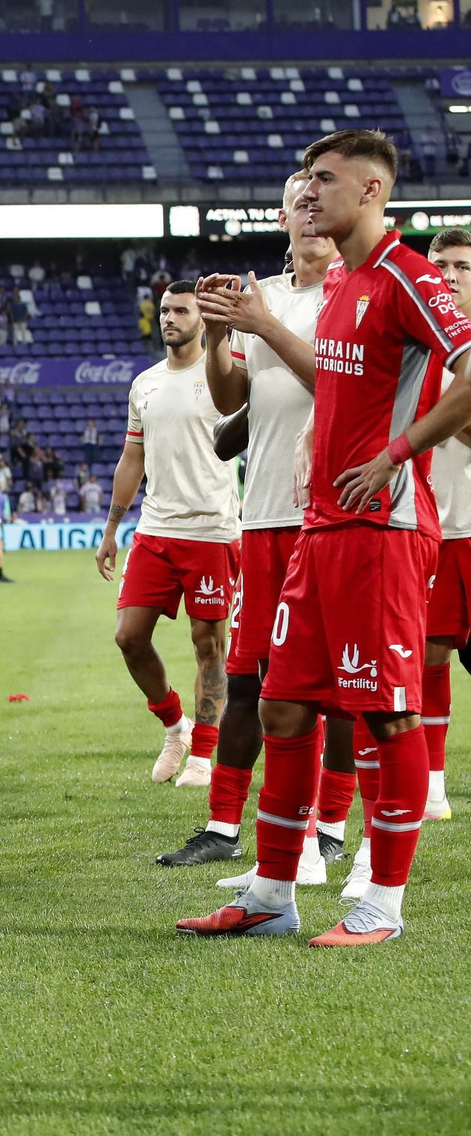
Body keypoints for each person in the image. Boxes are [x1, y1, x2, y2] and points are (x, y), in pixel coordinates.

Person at [180, 129, 471, 946]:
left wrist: (395, 452)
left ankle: (381, 904)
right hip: (319, 528)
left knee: (386, 716)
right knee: (281, 704)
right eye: (304, 182)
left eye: (325, 180)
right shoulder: (342, 284)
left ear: (373, 191)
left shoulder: (409, 278)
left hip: (382, 530)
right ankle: (274, 892)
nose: (308, 193)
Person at [160, 173, 352, 880]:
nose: (308, 211)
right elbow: (231, 398)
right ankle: (220, 823)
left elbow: (342, 383)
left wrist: (261, 324)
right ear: (280, 214)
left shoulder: (355, 293)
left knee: (329, 689)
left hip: (330, 516)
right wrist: (217, 334)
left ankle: (329, 826)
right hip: (265, 513)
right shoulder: (266, 294)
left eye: (317, 199)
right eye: (296, 201)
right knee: (247, 680)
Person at [95, 282, 238, 787]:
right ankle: (175, 725)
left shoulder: (225, 377)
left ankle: (203, 752)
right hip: (154, 529)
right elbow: (131, 458)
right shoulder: (145, 384)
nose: (170, 318)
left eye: (181, 310)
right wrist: (112, 527)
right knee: (129, 636)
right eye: (164, 310)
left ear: (202, 318)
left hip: (213, 529)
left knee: (209, 646)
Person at [421, 226, 471, 822]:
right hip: (430, 531)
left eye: (462, 267)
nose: (450, 277)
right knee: (427, 658)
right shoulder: (410, 344)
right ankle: (433, 785)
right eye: (440, 266)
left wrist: (439, 411)